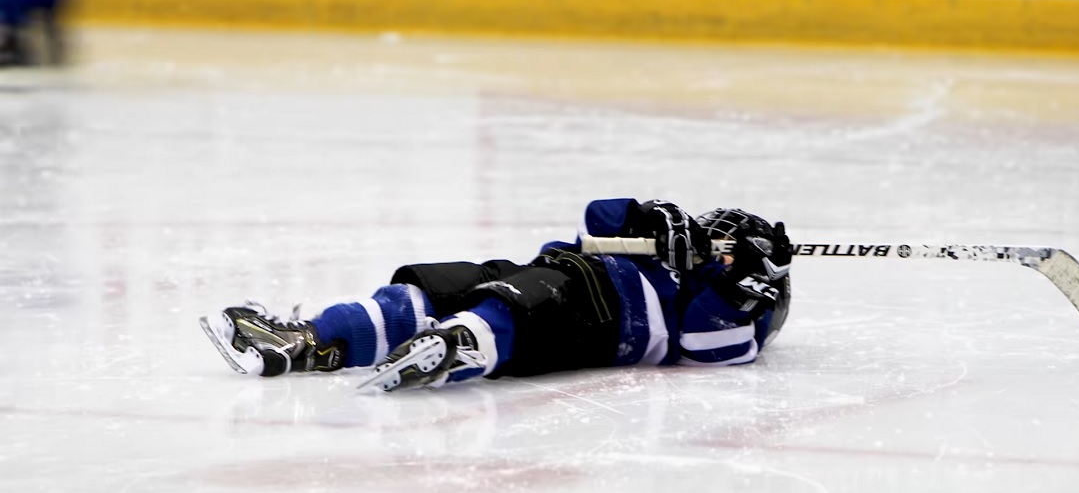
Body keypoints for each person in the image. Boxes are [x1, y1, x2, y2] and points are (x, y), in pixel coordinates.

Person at [200, 199, 793, 392]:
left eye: (732, 251)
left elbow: (706, 348)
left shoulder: (742, 302)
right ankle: (306, 343)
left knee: (521, 307)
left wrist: (737, 288)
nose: (721, 254)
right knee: (428, 292)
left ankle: (459, 345)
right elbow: (596, 218)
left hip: (611, 317)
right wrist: (649, 213)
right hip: (554, 269)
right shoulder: (663, 244)